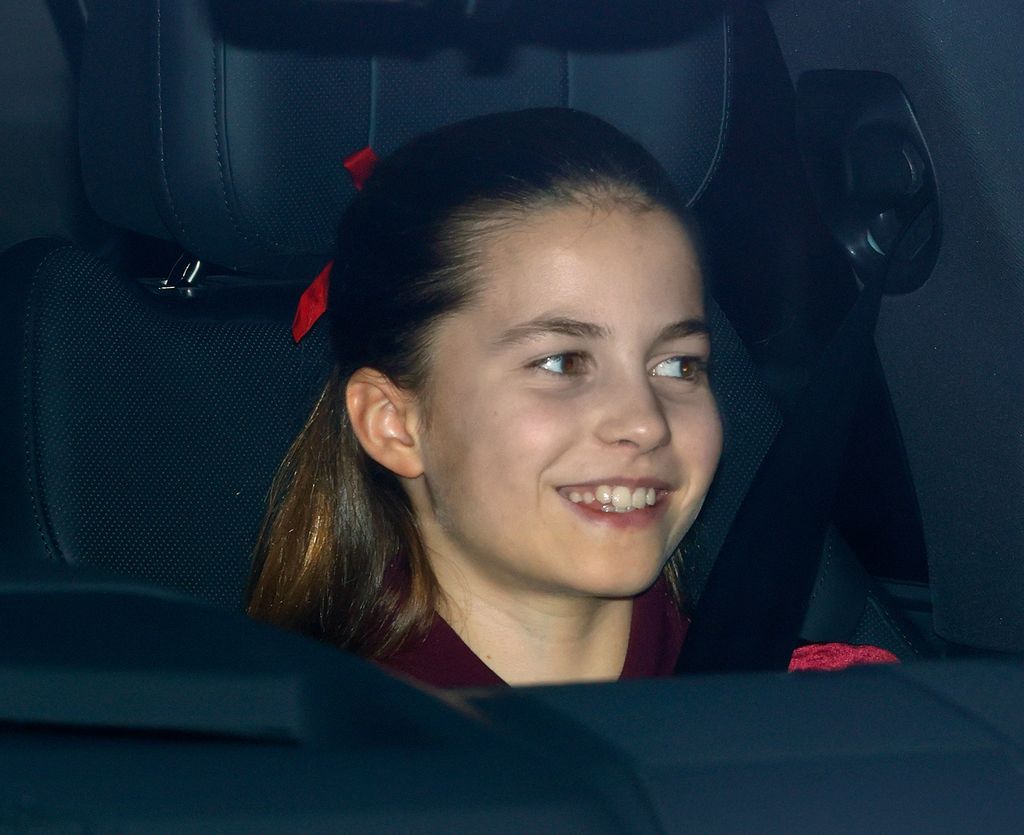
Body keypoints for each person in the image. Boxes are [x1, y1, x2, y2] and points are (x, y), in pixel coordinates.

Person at [246, 108, 896, 686]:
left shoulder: (814, 715)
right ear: (395, 424)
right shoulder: (298, 774)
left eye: (677, 365)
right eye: (561, 362)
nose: (644, 422)